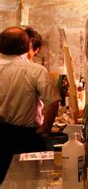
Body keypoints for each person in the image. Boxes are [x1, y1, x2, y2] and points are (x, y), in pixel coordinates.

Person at [0, 27, 60, 183]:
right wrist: (46, 128)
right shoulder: (35, 70)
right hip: (24, 137)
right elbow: (53, 102)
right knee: (28, 182)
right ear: (27, 46)